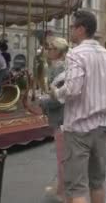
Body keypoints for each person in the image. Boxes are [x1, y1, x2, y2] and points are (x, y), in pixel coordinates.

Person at [51, 11, 106, 203]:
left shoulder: (76, 54)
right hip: (102, 128)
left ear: (81, 29)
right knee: (97, 183)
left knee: (77, 188)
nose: (70, 31)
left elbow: (73, 89)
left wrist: (55, 93)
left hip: (78, 128)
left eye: (72, 27)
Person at [39, 37, 69, 202]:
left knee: (62, 157)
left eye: (51, 48)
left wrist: (42, 101)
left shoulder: (62, 70)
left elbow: (59, 98)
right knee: (62, 157)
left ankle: (63, 193)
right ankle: (61, 186)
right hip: (60, 118)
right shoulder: (56, 68)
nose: (47, 50)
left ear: (59, 51)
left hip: (62, 118)